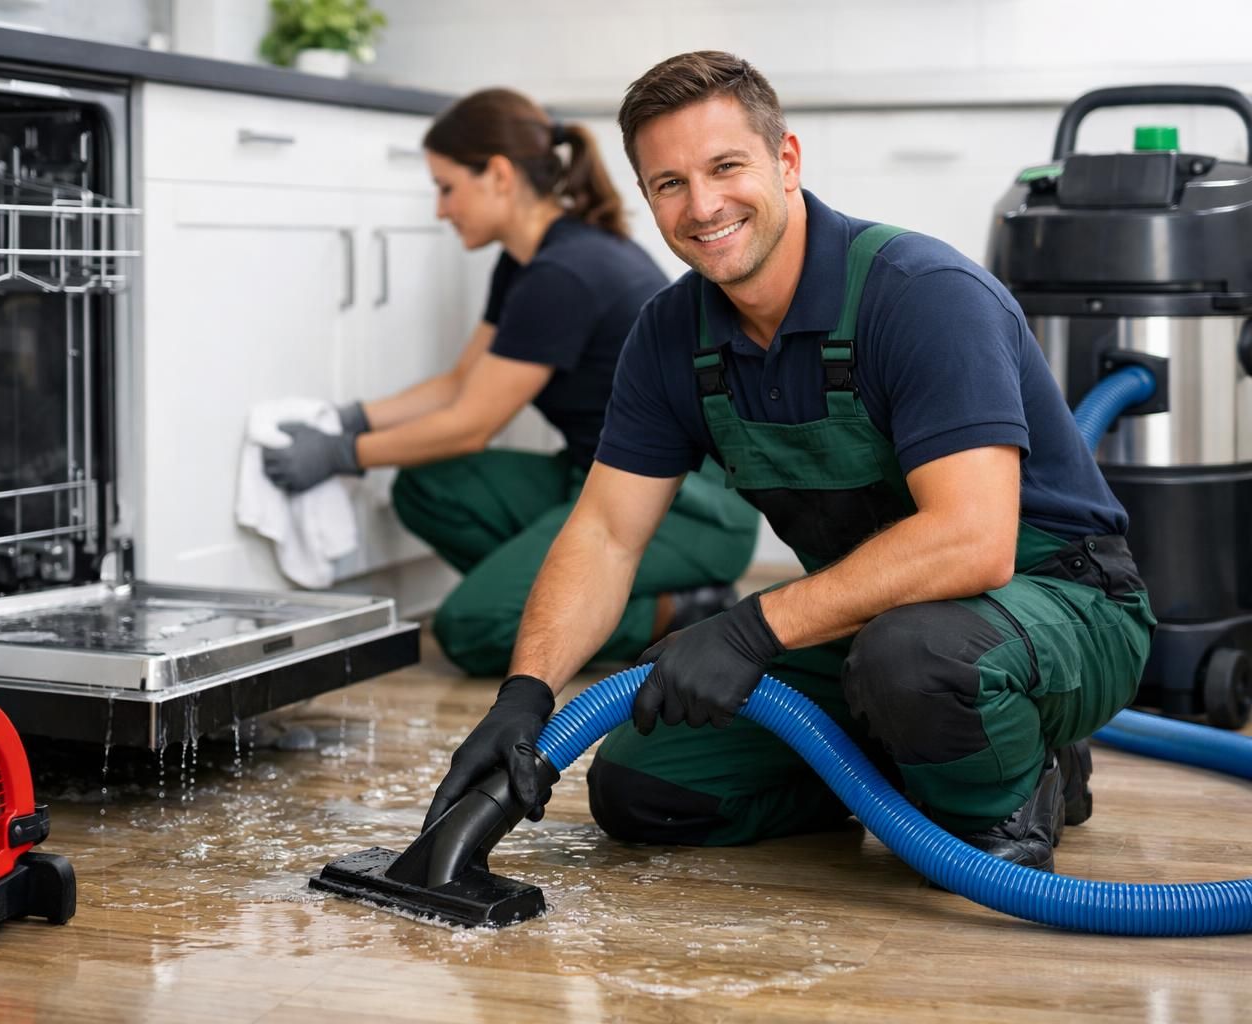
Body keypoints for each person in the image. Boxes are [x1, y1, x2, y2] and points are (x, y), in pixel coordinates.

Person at [422, 52, 1154, 873]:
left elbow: (974, 539)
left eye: (725, 167)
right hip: (872, 622)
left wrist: (751, 626)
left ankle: (1017, 779)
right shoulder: (671, 337)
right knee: (644, 786)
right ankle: (927, 756)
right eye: (669, 184)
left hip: (1056, 603)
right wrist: (525, 696)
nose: (702, 206)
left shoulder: (920, 295)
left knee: (916, 662)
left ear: (787, 161)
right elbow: (604, 535)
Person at [262, 87, 760, 677]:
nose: (441, 209)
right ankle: (560, 596)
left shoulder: (564, 273)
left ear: (497, 175)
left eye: (446, 188)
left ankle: (674, 611)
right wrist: (353, 417)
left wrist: (342, 454)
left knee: (473, 627)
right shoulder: (528, 261)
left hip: (691, 506)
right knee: (426, 488)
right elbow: (460, 384)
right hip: (599, 478)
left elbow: (472, 424)